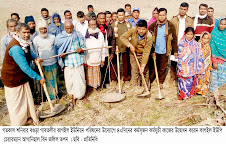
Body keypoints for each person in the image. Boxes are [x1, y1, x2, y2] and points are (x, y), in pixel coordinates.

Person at [1, 23, 45, 126]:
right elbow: (25, 67)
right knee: (17, 104)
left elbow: (28, 52)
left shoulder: (24, 42)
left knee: (26, 98)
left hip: (20, 77)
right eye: (23, 32)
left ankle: (27, 118)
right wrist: (39, 78)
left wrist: (35, 57)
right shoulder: (15, 48)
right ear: (17, 33)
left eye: (28, 32)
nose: (26, 35)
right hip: (12, 78)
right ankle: (18, 124)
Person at [54, 20, 86, 106]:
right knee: (70, 81)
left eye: (71, 28)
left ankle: (80, 96)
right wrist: (61, 56)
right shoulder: (60, 37)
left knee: (80, 80)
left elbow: (84, 48)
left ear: (73, 27)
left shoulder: (78, 35)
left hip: (78, 61)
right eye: (67, 28)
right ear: (64, 28)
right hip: (68, 63)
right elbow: (57, 51)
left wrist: (81, 50)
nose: (69, 30)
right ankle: (72, 96)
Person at [148, 8, 177, 89]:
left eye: (163, 15)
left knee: (162, 67)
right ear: (157, 16)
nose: (161, 17)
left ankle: (160, 81)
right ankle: (150, 80)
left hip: (165, 50)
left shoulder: (170, 26)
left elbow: (174, 39)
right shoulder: (153, 26)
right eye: (160, 15)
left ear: (166, 15)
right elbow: (148, 39)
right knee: (153, 66)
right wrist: (151, 51)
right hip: (155, 50)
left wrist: (175, 51)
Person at [121, 20, 153, 90]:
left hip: (142, 54)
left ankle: (146, 87)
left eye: (143, 29)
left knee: (144, 71)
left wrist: (143, 65)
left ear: (146, 29)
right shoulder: (133, 30)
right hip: (133, 54)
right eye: (139, 29)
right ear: (137, 28)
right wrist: (130, 45)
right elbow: (122, 37)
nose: (141, 31)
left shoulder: (149, 36)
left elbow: (146, 52)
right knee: (135, 71)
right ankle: (135, 87)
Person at [33, 19, 58, 100]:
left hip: (53, 62)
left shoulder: (52, 37)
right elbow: (35, 53)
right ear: (39, 30)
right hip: (43, 65)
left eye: (45, 28)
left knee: (54, 80)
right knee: (47, 81)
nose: (43, 31)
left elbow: (55, 49)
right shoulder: (36, 40)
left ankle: (55, 95)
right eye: (41, 29)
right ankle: (48, 98)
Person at [177, 27, 204, 100]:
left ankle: (190, 95)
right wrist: (182, 66)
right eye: (188, 34)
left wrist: (199, 67)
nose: (189, 36)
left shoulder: (196, 44)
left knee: (190, 81)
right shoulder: (181, 43)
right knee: (183, 82)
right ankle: (182, 96)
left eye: (191, 34)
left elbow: (199, 55)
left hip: (192, 67)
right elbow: (180, 56)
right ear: (185, 34)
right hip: (183, 67)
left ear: (193, 35)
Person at [170, 2, 193, 83]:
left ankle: (182, 76)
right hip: (175, 43)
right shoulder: (173, 19)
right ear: (179, 9)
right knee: (173, 60)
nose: (182, 11)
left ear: (187, 10)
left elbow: (192, 32)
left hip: (185, 44)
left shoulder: (190, 20)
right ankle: (172, 76)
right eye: (181, 9)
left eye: (184, 9)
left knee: (184, 61)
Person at [111, 8, 132, 83]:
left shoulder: (128, 25)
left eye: (122, 15)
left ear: (124, 15)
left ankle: (126, 78)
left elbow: (131, 35)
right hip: (116, 47)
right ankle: (114, 79)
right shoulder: (113, 25)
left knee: (126, 64)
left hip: (126, 47)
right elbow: (112, 37)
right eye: (119, 15)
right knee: (115, 64)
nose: (121, 17)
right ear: (117, 15)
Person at [85, 19, 105, 92]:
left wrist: (103, 59)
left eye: (94, 24)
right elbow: (84, 48)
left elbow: (103, 47)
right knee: (89, 75)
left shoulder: (100, 34)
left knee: (96, 74)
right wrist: (85, 61)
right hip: (89, 58)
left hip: (97, 58)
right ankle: (90, 87)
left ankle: (95, 87)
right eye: (91, 25)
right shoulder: (86, 35)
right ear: (88, 25)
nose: (93, 26)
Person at [97, 12, 116, 89]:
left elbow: (113, 40)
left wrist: (112, 52)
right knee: (98, 69)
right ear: (97, 19)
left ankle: (106, 83)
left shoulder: (109, 28)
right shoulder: (95, 28)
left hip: (106, 51)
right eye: (100, 18)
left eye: (103, 18)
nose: (102, 20)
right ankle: (98, 84)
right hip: (97, 52)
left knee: (106, 68)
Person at [209, 18, 226, 96]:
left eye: (224, 24)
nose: (222, 26)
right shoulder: (214, 34)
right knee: (214, 80)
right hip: (216, 62)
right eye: (221, 24)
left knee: (223, 81)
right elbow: (212, 49)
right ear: (218, 24)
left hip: (225, 63)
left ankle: (221, 97)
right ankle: (213, 96)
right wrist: (214, 61)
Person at [196, 31, 212, 96]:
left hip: (206, 65)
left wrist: (209, 65)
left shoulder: (208, 46)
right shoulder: (198, 45)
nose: (206, 40)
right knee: (199, 78)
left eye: (207, 38)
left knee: (206, 78)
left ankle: (204, 91)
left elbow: (209, 56)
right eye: (204, 38)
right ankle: (199, 90)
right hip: (199, 65)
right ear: (201, 38)